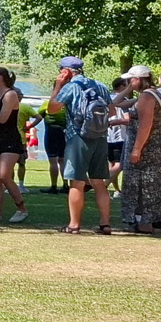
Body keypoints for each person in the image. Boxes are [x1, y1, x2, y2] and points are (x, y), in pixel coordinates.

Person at [45, 58, 113, 235]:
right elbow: (111, 112)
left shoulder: (70, 87)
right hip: (100, 137)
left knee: (77, 182)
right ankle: (105, 224)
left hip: (78, 137)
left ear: (66, 71)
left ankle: (74, 225)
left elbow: (51, 108)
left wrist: (57, 86)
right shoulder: (100, 86)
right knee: (99, 183)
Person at [117, 65, 161, 231]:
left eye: (130, 80)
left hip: (148, 150)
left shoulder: (147, 97)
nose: (128, 83)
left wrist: (136, 149)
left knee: (143, 185)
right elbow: (115, 103)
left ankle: (145, 223)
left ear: (138, 79)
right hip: (154, 148)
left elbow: (145, 125)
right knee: (149, 185)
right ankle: (145, 221)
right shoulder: (151, 94)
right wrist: (128, 89)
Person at [0, 66, 28, 224]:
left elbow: (3, 118)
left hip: (11, 140)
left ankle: (21, 208)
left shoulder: (10, 95)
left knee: (5, 175)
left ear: (0, 77)